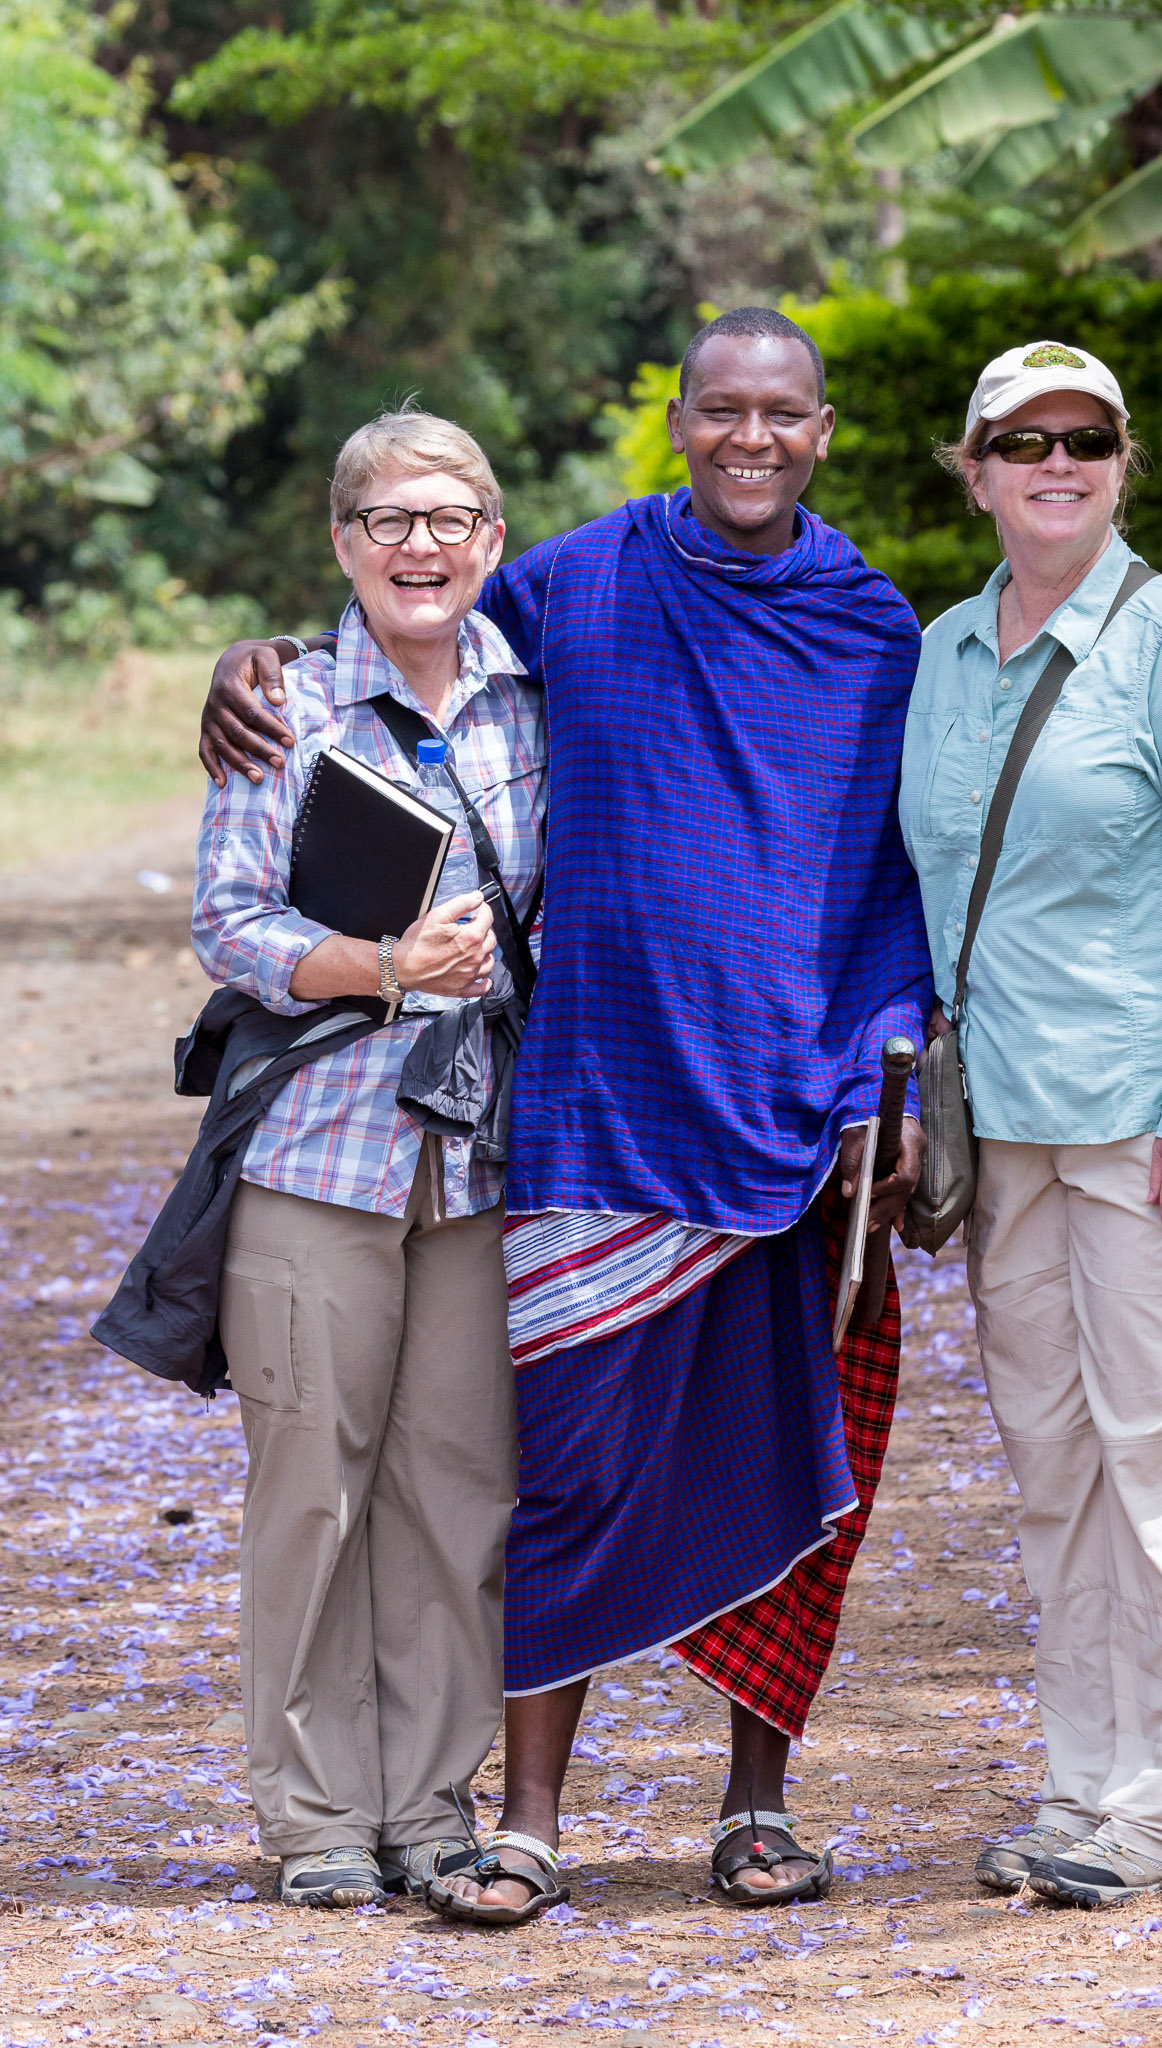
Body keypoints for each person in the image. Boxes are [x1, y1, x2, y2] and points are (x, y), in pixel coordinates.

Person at [198, 307, 933, 1921]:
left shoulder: (879, 633)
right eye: (721, 412)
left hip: (793, 1125)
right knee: (562, 1474)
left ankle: (754, 1807)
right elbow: (402, 634)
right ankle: (516, 1818)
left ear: (823, 430)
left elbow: (899, 880)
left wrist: (887, 1078)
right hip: (591, 1115)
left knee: (784, 1463)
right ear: (677, 422)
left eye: (782, 414)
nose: (752, 438)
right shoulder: (580, 587)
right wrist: (247, 663)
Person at [899, 341, 1162, 1908]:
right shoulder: (944, 652)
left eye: (1088, 438)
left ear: (1123, 463)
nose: (1056, 463)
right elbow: (928, 891)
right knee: (1056, 1467)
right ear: (974, 464)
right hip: (1011, 1134)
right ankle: (1089, 1786)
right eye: (1022, 439)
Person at [190, 408, 544, 1908]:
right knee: (312, 1489)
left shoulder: (536, 703)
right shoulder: (287, 703)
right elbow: (229, 920)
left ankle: (430, 1804)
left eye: (449, 518)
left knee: (456, 1489)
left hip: (475, 1168)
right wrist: (381, 963)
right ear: (341, 543)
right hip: (319, 1158)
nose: (420, 547)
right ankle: (317, 1814)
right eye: (388, 521)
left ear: (493, 541)